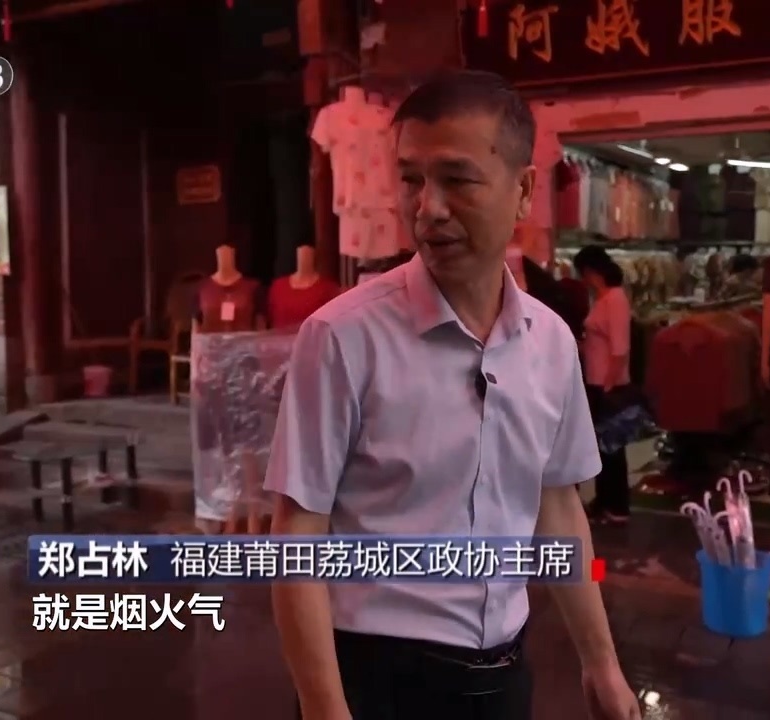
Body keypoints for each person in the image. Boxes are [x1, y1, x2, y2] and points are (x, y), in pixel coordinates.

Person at [265, 70, 642, 720]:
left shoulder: (551, 343)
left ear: (523, 191)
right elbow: (297, 533)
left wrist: (602, 664)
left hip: (503, 678)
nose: (428, 207)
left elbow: (557, 506)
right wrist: (326, 710)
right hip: (374, 680)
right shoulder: (342, 337)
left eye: (457, 180)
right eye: (411, 179)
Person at [572, 245, 633, 524]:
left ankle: (616, 506)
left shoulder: (615, 300)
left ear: (591, 271)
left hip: (609, 384)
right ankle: (605, 500)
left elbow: (620, 349)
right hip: (598, 382)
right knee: (603, 448)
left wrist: (609, 385)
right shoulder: (603, 299)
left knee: (612, 448)